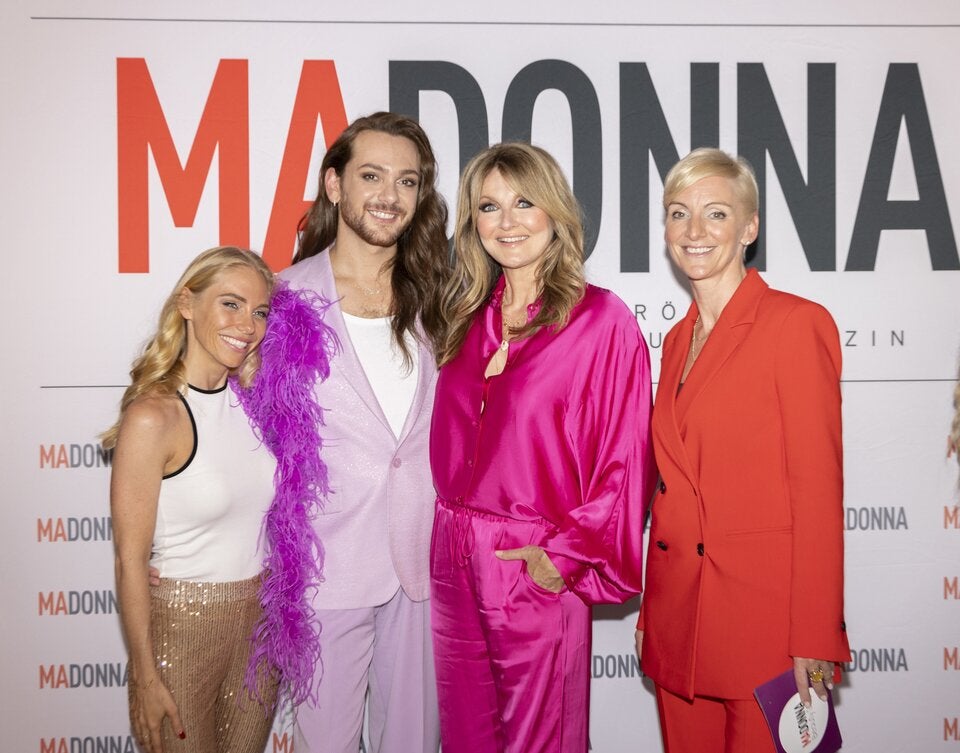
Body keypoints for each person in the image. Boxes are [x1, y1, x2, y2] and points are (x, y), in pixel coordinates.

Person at [430, 142, 656, 753]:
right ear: (471, 224)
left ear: (555, 212)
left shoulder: (600, 321)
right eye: (488, 206)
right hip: (451, 551)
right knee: (466, 736)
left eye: (524, 202)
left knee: (541, 739)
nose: (507, 222)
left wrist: (566, 555)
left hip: (532, 550)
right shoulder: (462, 315)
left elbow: (626, 458)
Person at [636, 148, 852, 753]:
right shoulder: (676, 342)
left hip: (767, 631)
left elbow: (817, 493)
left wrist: (815, 636)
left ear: (749, 228)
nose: (695, 232)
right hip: (682, 625)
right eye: (679, 214)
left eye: (715, 214)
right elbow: (671, 494)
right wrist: (655, 616)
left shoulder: (795, 324)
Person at [275, 112, 449, 753]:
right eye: (371, 176)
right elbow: (248, 437)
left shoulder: (438, 297)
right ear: (334, 184)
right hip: (326, 566)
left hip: (421, 562)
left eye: (407, 181)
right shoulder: (285, 300)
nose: (389, 195)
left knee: (415, 741)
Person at [104, 247, 279, 753]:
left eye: (259, 311)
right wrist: (144, 676)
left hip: (259, 630)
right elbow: (129, 560)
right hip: (182, 629)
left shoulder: (257, 404)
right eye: (230, 304)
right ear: (187, 303)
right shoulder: (153, 417)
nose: (247, 324)